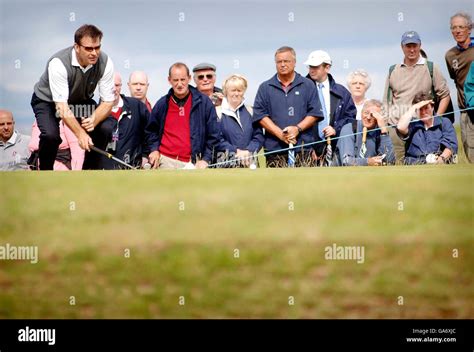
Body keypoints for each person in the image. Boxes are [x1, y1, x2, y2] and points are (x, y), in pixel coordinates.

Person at [31, 24, 115, 170]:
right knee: (51, 136)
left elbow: (108, 102)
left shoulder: (105, 62)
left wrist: (94, 119)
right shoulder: (58, 63)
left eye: (97, 47)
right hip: (48, 101)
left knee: (106, 127)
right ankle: (44, 172)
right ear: (77, 47)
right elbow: (61, 107)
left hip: (79, 101)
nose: (94, 53)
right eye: (89, 48)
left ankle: (89, 172)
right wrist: (80, 133)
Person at [384, 30, 451, 162]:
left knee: (421, 165)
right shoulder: (393, 70)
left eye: (415, 46)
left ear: (420, 45)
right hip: (396, 127)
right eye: (408, 46)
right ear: (402, 47)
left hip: (421, 128)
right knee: (394, 167)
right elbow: (386, 101)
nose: (412, 50)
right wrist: (387, 124)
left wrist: (436, 119)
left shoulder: (431, 68)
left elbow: (445, 95)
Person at [253, 46, 323, 167]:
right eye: (279, 62)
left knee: (306, 185)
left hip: (303, 148)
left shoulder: (308, 85)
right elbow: (260, 115)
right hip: (274, 149)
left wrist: (297, 129)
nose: (283, 64)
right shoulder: (265, 87)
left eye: (286, 61)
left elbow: (315, 113)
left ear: (294, 62)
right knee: (275, 185)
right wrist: (279, 134)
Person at [145, 62, 221, 169]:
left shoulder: (204, 103)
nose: (179, 84)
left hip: (193, 163)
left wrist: (205, 159)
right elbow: (151, 131)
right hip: (165, 161)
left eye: (183, 79)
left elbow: (214, 136)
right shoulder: (162, 104)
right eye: (175, 80)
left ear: (189, 78)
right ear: (169, 80)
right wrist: (154, 150)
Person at [304, 50, 356, 164]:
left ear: (327, 68)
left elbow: (350, 119)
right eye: (310, 66)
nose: (311, 70)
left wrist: (336, 129)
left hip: (335, 148)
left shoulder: (342, 92)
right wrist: (308, 148)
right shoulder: (301, 90)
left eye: (316, 66)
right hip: (308, 151)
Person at [99, 72, 150, 169]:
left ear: (121, 86)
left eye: (117, 85)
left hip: (132, 168)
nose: (114, 89)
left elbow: (150, 133)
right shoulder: (94, 111)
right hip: (103, 170)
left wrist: (145, 155)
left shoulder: (137, 106)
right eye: (110, 85)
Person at [215, 74, 264, 167]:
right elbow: (217, 139)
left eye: (239, 90)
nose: (236, 93)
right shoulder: (217, 112)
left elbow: (258, 136)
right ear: (226, 92)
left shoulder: (251, 111)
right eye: (233, 90)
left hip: (250, 160)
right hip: (225, 162)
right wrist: (236, 151)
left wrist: (248, 151)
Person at [397, 92, 458, 165]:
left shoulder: (444, 122)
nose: (423, 112)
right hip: (414, 164)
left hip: (438, 164)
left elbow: (450, 145)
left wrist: (441, 159)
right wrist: (414, 107)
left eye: (426, 108)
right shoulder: (412, 124)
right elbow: (400, 127)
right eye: (420, 109)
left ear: (432, 107)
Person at [445, 12, 474, 163]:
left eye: (461, 27)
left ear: (470, 28)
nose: (457, 31)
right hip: (465, 111)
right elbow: (457, 80)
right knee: (470, 149)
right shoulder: (450, 55)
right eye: (454, 27)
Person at [336, 99, 395, 166]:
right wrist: (368, 162)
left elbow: (390, 162)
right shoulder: (349, 129)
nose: (368, 117)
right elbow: (346, 161)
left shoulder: (379, 133)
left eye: (373, 115)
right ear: (361, 113)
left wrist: (384, 130)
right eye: (366, 113)